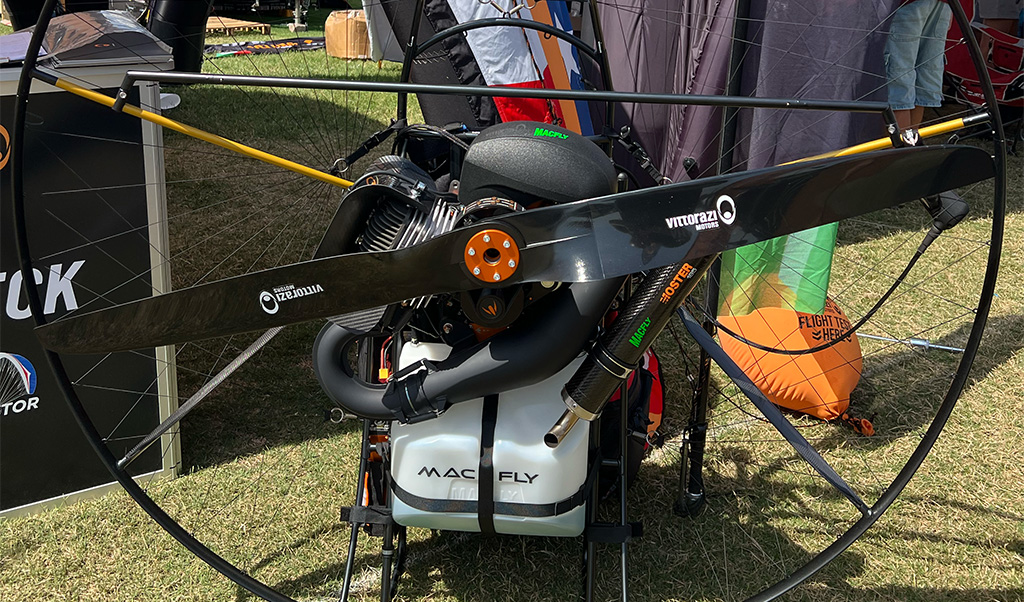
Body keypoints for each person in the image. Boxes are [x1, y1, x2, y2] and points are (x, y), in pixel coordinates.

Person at [884, 0, 953, 131]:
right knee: (921, 75)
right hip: (942, 4)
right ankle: (911, 139)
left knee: (899, 77)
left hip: (907, 4)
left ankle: (901, 142)